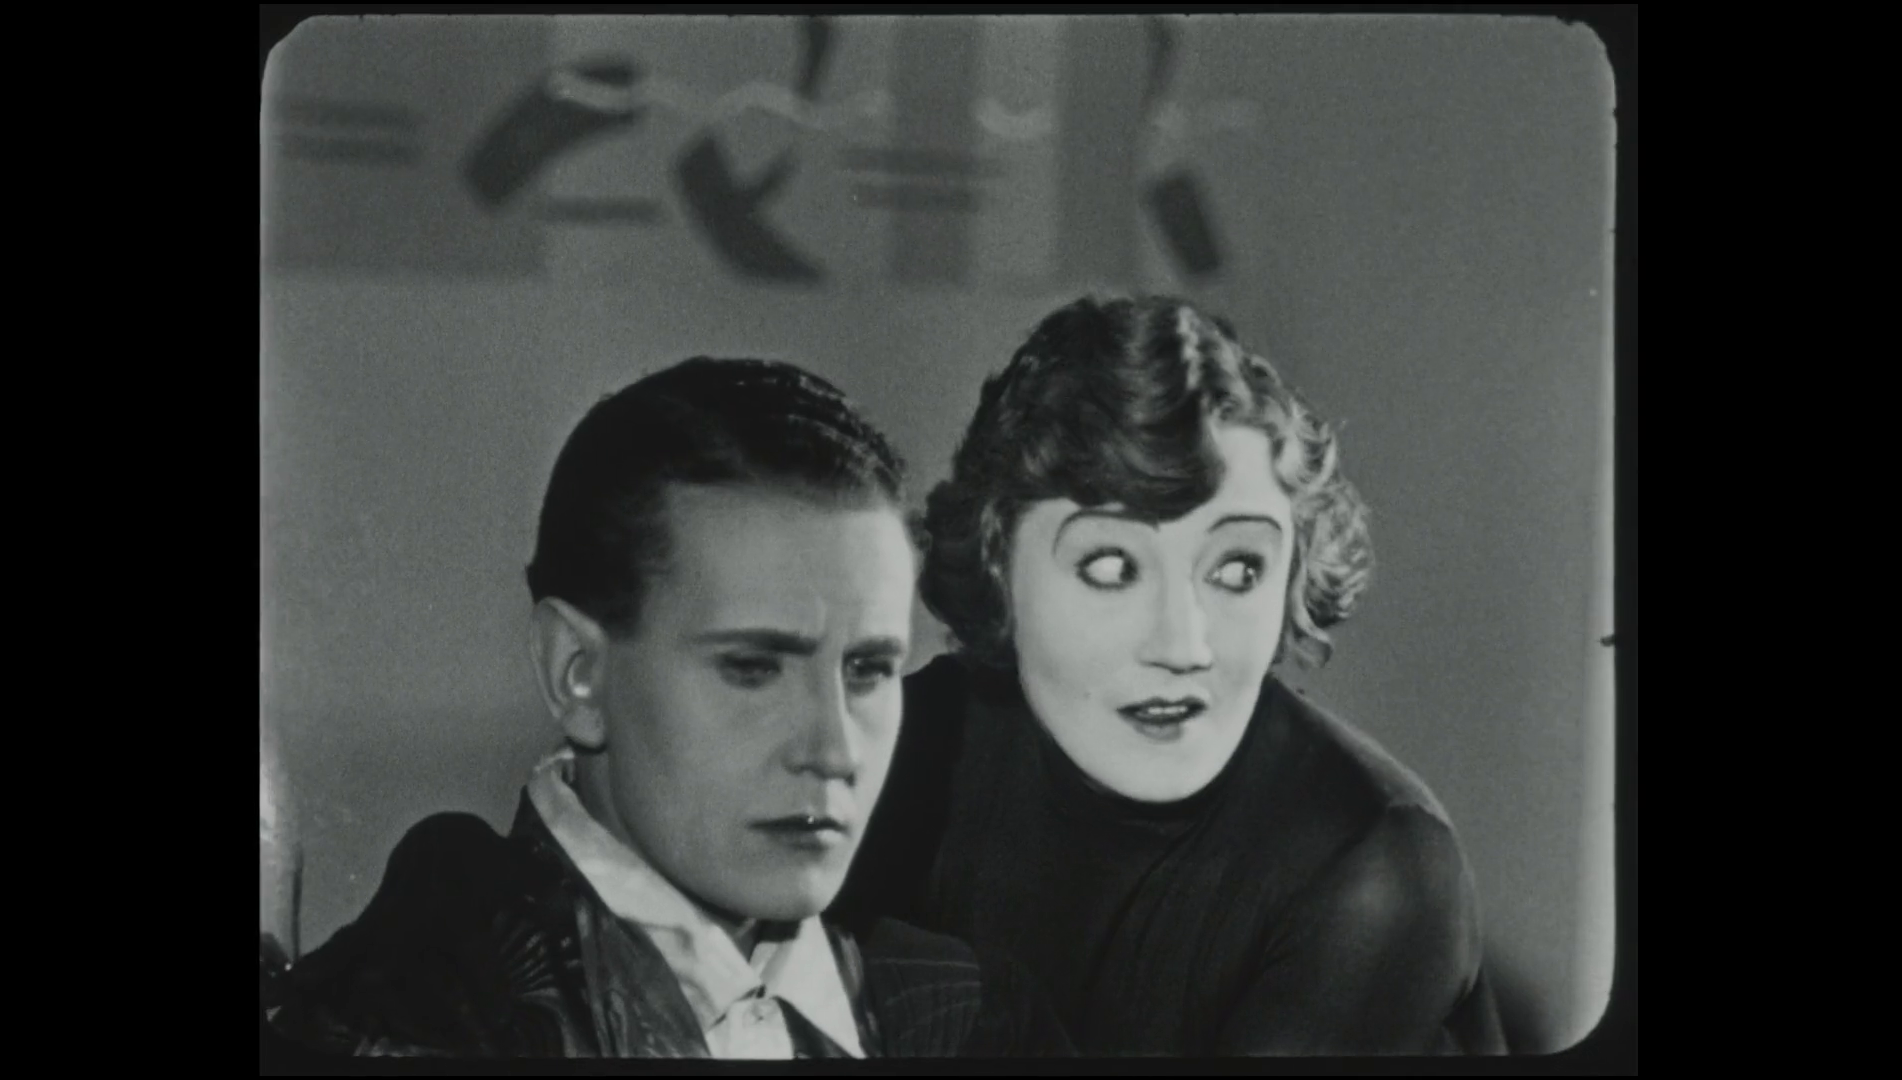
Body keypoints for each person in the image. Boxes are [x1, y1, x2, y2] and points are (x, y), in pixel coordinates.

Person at [263, 358, 1072, 1060]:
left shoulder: (970, 1018)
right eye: (752, 668)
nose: (834, 749)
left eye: (867, 670)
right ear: (577, 672)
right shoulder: (387, 1024)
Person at [830, 296, 1509, 1056]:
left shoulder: (1375, 860)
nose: (1183, 645)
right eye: (1111, 567)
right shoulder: (896, 749)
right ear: (998, 564)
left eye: (1237, 569)